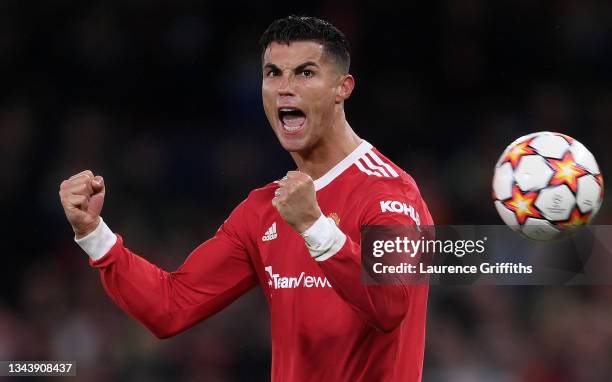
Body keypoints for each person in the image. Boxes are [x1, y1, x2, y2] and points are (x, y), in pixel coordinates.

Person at [58, 15, 434, 382]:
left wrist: (315, 227)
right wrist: (93, 233)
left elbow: (391, 305)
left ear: (343, 87)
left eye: (305, 72)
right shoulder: (264, 210)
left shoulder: (390, 192)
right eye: (273, 73)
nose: (286, 87)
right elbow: (169, 307)